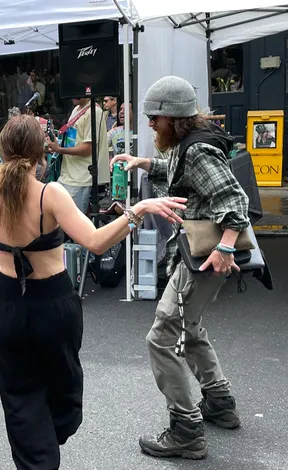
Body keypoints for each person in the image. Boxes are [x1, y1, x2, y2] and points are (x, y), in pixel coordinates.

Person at [0, 114, 188, 470]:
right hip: (52, 304)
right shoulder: (51, 193)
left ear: (1, 151)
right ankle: (44, 449)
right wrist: (137, 210)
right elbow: (95, 243)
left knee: (19, 394)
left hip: (6, 307)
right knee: (62, 384)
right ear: (41, 152)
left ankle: (38, 450)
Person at [111, 75, 250, 460]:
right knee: (189, 329)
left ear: (172, 117)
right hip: (199, 255)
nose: (150, 124)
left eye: (154, 117)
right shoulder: (189, 144)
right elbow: (179, 169)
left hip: (204, 258)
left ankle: (185, 429)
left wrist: (224, 248)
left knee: (161, 338)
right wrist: (144, 163)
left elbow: (233, 200)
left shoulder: (198, 151)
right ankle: (219, 403)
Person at [45, 97, 110, 212]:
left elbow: (88, 148)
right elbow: (73, 141)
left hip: (81, 179)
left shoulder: (94, 112)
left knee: (74, 225)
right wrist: (56, 145)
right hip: (67, 176)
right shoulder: (77, 109)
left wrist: (59, 149)